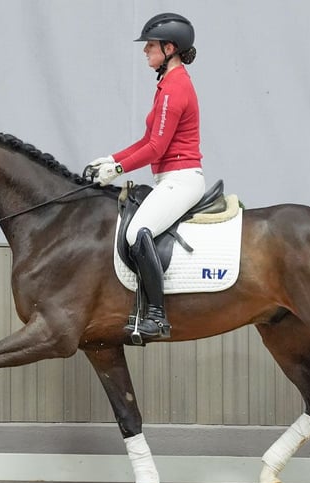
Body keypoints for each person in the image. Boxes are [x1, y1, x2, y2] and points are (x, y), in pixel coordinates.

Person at [86, 13, 205, 340]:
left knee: (137, 232)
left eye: (150, 45)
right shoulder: (167, 83)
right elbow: (146, 141)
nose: (145, 51)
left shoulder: (175, 87)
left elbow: (155, 148)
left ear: (170, 48)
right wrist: (111, 159)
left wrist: (119, 169)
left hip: (181, 179)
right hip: (169, 178)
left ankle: (156, 316)